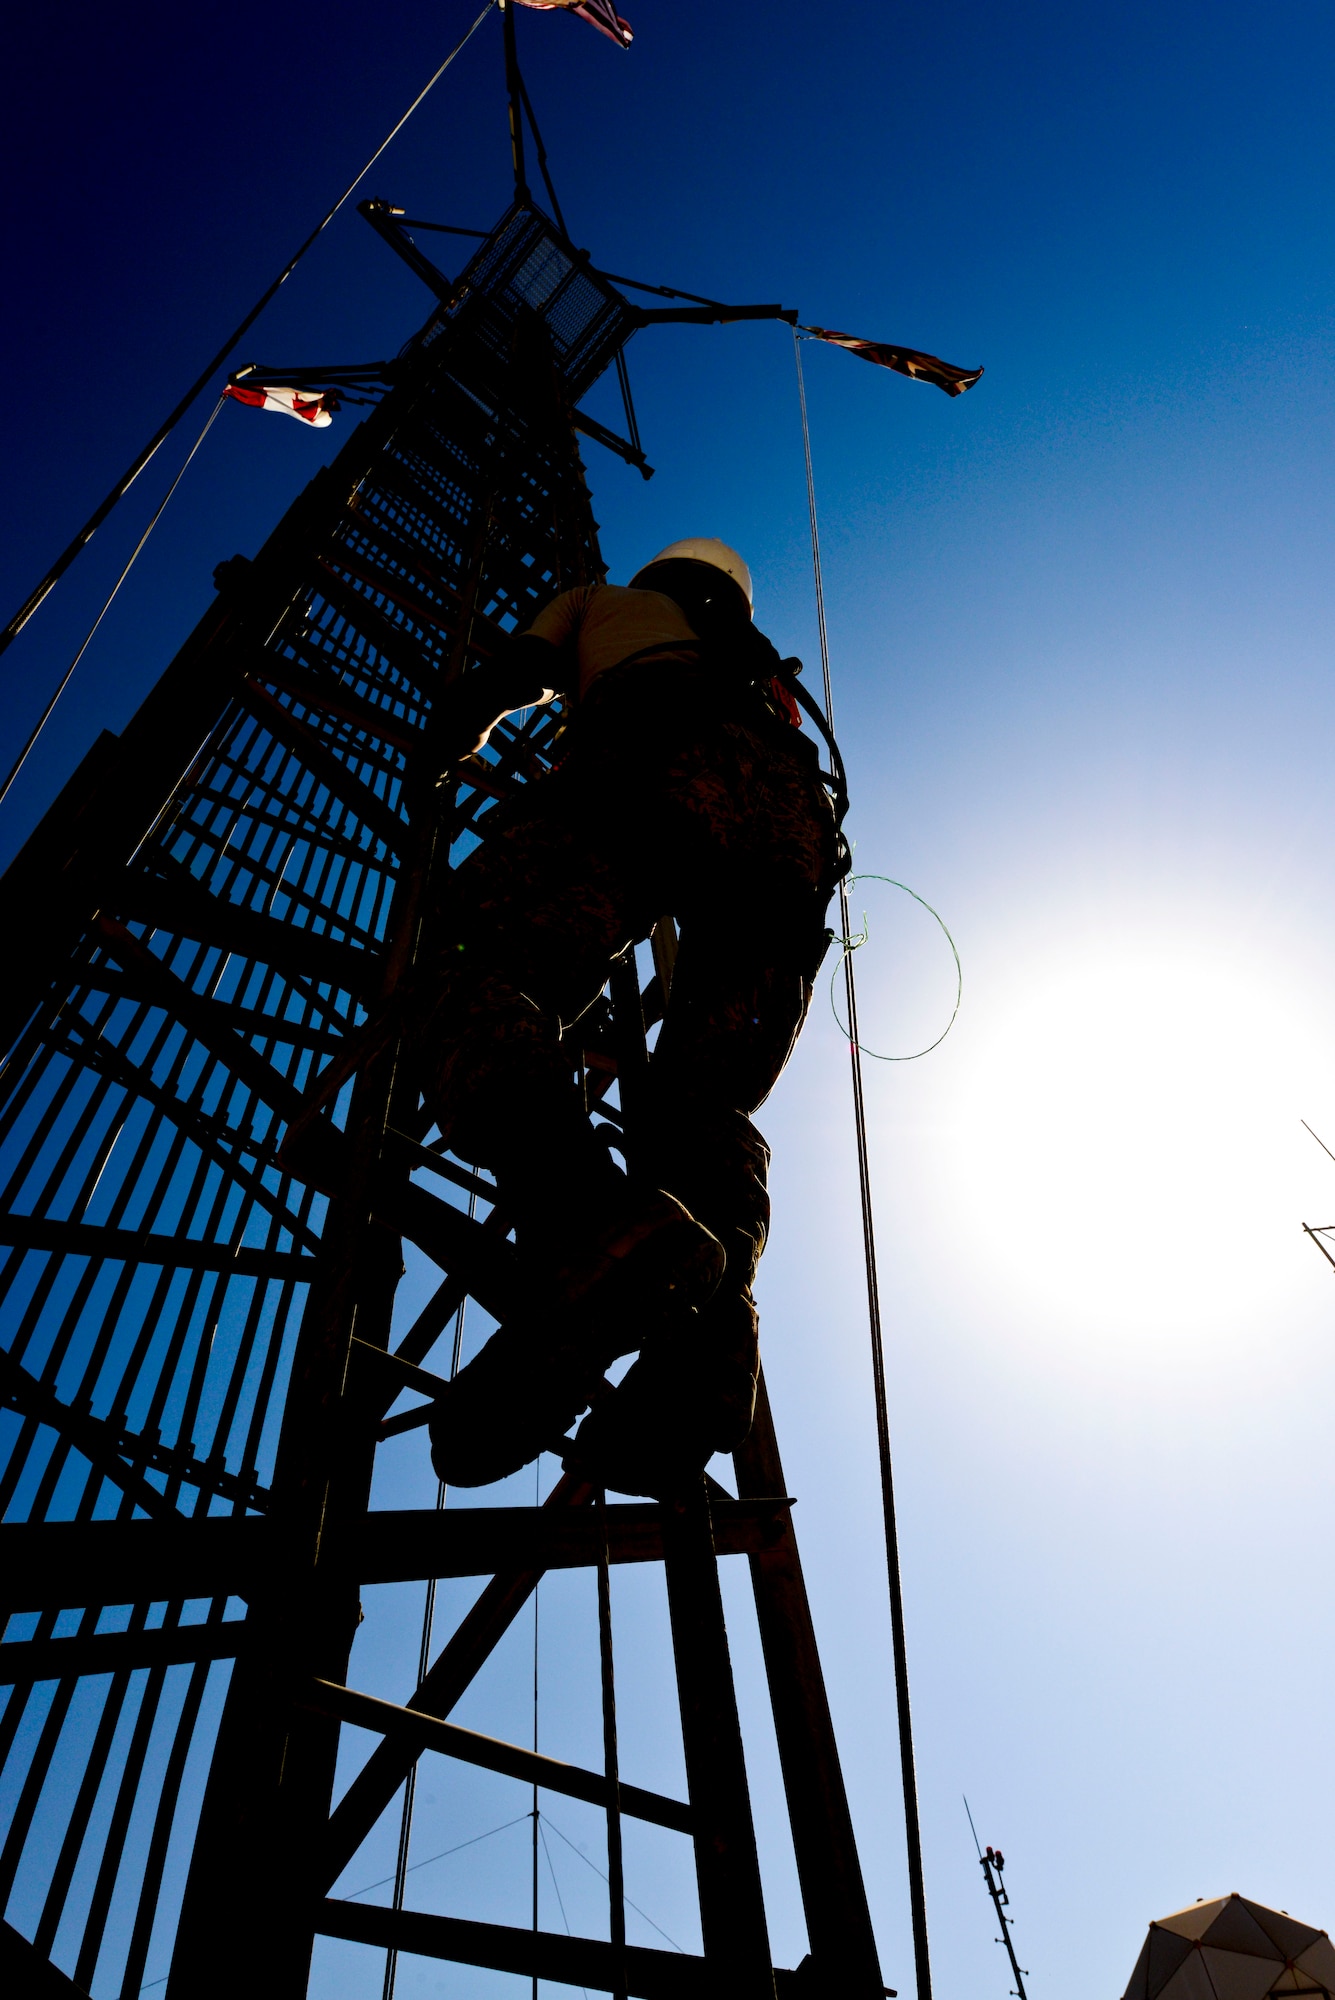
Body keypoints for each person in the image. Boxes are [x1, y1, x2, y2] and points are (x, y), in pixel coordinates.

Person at [416, 537, 844, 1496]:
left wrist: (448, 742)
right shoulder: (757, 663)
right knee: (700, 1101)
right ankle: (708, 1342)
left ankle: (588, 1238)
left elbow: (521, 674)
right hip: (791, 830)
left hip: (653, 755)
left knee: (474, 972)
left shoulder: (597, 600)